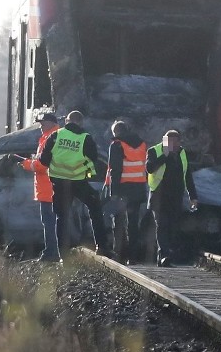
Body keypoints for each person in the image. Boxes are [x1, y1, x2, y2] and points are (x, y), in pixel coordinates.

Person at [39, 110, 114, 259]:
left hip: (59, 183)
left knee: (62, 217)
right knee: (95, 208)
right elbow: (93, 158)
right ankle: (102, 246)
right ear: (81, 122)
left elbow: (44, 161)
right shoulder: (86, 138)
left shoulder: (55, 136)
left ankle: (63, 256)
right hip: (79, 182)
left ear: (67, 121)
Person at [146, 129, 198, 267]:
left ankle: (166, 255)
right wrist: (165, 155)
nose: (173, 144)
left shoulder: (182, 153)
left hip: (175, 196)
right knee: (162, 226)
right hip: (158, 196)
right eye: (170, 141)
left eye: (176, 141)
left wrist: (193, 196)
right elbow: (149, 168)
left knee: (173, 227)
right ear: (164, 141)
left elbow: (187, 176)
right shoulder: (154, 151)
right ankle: (164, 255)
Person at [104, 120, 149, 263]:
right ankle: (133, 256)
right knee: (133, 223)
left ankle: (118, 254)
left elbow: (115, 170)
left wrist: (113, 192)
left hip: (122, 189)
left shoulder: (116, 145)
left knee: (118, 221)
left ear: (115, 132)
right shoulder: (142, 144)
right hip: (138, 187)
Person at [19, 112, 60, 262]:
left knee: (49, 223)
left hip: (49, 188)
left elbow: (43, 165)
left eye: (42, 123)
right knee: (52, 222)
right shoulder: (51, 137)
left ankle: (51, 253)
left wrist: (26, 164)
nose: (40, 126)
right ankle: (53, 252)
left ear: (50, 123)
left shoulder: (51, 138)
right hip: (52, 187)